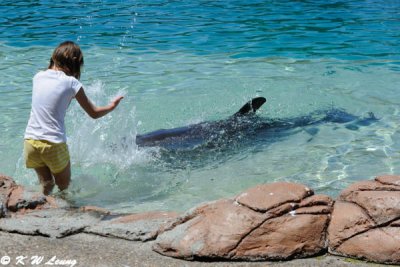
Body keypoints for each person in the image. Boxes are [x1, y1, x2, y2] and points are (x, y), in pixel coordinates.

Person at [24, 41, 124, 195]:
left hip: (30, 142)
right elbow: (94, 113)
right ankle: (68, 213)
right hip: (53, 144)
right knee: (65, 189)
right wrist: (111, 106)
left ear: (54, 57)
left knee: (46, 185)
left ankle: (43, 209)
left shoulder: (38, 76)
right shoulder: (72, 83)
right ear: (75, 64)